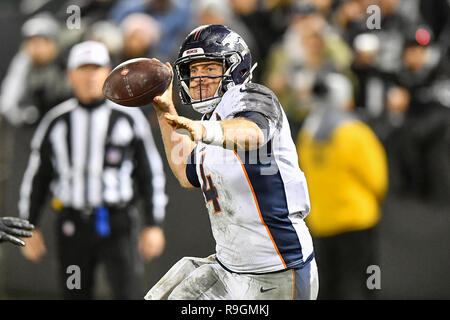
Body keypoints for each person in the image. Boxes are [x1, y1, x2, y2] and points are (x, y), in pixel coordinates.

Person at [143, 24, 318, 300]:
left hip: (278, 272)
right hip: (229, 268)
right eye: (194, 70)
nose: (199, 78)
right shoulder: (210, 122)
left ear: (235, 68)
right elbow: (186, 173)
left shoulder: (254, 97)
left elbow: (252, 132)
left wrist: (204, 132)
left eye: (209, 69)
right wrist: (166, 112)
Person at [18, 41, 168, 299]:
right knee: (75, 293)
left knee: (127, 292)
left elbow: (149, 172)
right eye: (83, 70)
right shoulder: (56, 121)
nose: (90, 77)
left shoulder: (128, 118)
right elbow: (37, 176)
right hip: (72, 224)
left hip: (117, 222)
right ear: (71, 75)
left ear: (107, 74)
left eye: (96, 69)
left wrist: (153, 223)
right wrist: (27, 226)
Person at [297, 72, 388, 299]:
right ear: (346, 98)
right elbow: (377, 178)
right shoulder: (355, 132)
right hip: (357, 218)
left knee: (329, 282)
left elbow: (301, 176)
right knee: (368, 275)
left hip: (322, 222)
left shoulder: (307, 135)